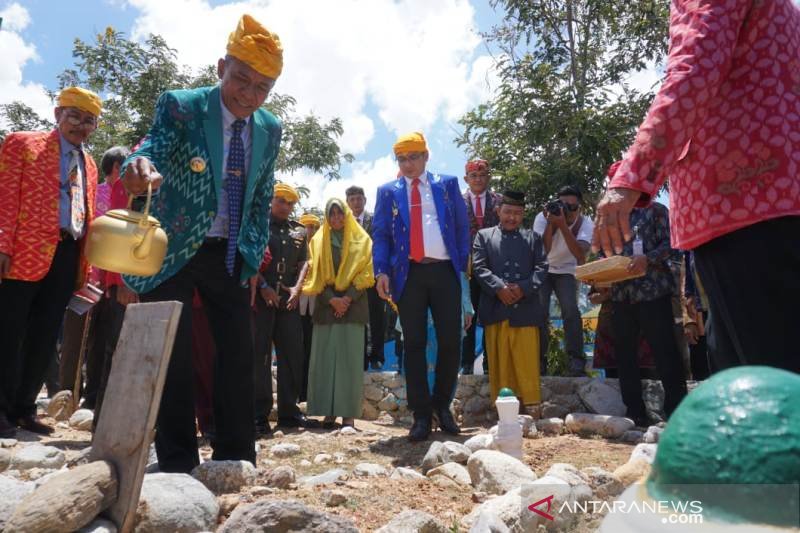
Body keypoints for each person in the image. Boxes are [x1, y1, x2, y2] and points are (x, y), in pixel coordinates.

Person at [595, 0, 800, 374]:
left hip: (743, 201)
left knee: (768, 386)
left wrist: (631, 176)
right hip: (770, 199)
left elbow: (695, 70)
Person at [120, 14, 283, 473]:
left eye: (261, 88)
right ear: (221, 68)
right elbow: (152, 145)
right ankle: (176, 461)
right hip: (171, 245)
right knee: (171, 352)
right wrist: (139, 165)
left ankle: (236, 456)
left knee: (237, 352)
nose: (249, 96)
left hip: (228, 252)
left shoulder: (269, 128)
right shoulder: (183, 106)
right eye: (241, 81)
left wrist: (251, 254)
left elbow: (262, 193)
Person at [0, 87, 102, 438]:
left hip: (67, 252)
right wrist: (2, 243)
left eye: (89, 120)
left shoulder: (89, 163)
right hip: (22, 249)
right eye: (75, 116)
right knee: (8, 330)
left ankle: (24, 409)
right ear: (58, 114)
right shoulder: (22, 143)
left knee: (44, 336)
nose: (81, 126)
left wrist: (85, 266)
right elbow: (5, 195)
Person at [372, 131, 470, 441]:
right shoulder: (388, 191)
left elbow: (461, 227)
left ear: (426, 156)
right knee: (412, 344)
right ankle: (421, 414)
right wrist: (381, 271)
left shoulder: (447, 184)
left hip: (444, 271)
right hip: (409, 274)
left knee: (450, 341)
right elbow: (382, 234)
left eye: (414, 157)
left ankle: (442, 406)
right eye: (402, 158)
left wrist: (461, 263)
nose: (408, 163)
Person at [59, 145, 130, 409]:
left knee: (105, 338)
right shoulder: (92, 194)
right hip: (86, 279)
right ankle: (65, 398)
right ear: (116, 168)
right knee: (75, 337)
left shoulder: (132, 200)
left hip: (114, 282)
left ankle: (95, 398)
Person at [609, 201, 687, 426]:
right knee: (624, 357)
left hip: (653, 293)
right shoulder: (612, 217)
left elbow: (673, 244)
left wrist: (648, 258)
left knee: (666, 353)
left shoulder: (657, 210)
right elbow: (605, 252)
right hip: (621, 295)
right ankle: (634, 413)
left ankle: (677, 413)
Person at [472, 191, 548, 411]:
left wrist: (523, 288)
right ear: (498, 211)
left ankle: (531, 407)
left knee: (526, 361)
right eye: (507, 212)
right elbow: (479, 267)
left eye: (517, 213)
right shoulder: (484, 236)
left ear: (523, 214)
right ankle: (503, 409)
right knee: (500, 362)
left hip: (526, 309)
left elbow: (542, 267)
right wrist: (499, 288)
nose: (512, 217)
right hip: (496, 308)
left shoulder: (533, 238)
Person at [304, 199, 374, 429]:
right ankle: (328, 412)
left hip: (353, 307)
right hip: (326, 308)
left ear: (346, 214)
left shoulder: (362, 240)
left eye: (339, 213)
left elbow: (366, 272)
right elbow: (314, 274)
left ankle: (348, 415)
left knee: (349, 362)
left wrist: (346, 299)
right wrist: (332, 300)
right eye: (331, 214)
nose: (336, 218)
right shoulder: (317, 241)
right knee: (324, 360)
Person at [252, 183, 313, 433]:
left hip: (288, 301)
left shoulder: (299, 232)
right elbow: (248, 255)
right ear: (271, 200)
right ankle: (259, 415)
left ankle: (289, 411)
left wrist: (298, 289)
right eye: (280, 200)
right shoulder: (257, 224)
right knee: (260, 356)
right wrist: (263, 286)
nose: (285, 206)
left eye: (290, 203)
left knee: (292, 355)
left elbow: (304, 263)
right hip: (262, 298)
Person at [532, 185, 593, 376]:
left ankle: (576, 361)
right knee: (539, 314)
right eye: (562, 205)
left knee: (571, 311)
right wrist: (552, 223)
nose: (566, 210)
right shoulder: (543, 217)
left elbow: (580, 255)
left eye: (572, 207)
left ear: (580, 208)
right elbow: (542, 252)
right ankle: (538, 363)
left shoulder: (585, 223)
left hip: (567, 269)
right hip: (543, 268)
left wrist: (563, 226)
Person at [461, 159, 502, 374]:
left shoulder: (500, 201)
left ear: (489, 176)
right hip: (467, 269)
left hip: (493, 267)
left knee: (491, 315)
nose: (478, 179)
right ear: (466, 179)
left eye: (482, 174)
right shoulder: (457, 201)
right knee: (468, 315)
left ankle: (489, 363)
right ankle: (466, 362)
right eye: (473, 175)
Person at [346, 185, 386, 371]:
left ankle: (377, 357)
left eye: (358, 198)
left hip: (374, 275)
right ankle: (359, 359)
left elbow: (382, 244)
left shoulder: (375, 219)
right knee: (356, 317)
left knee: (377, 316)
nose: (356, 202)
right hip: (352, 278)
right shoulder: (343, 222)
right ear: (347, 202)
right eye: (352, 199)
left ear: (364, 200)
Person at [298, 212, 321, 402]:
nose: (310, 230)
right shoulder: (293, 245)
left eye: (314, 226)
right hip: (296, 304)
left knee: (311, 350)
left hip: (315, 307)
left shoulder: (321, 248)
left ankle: (308, 393)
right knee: (296, 349)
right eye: (307, 226)